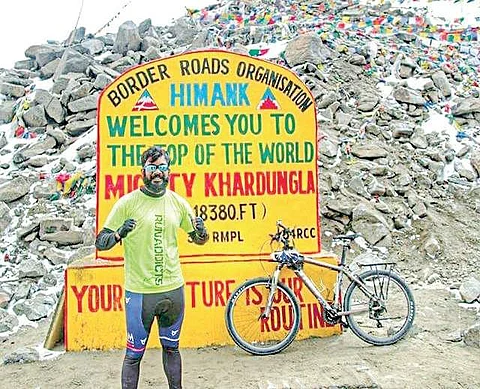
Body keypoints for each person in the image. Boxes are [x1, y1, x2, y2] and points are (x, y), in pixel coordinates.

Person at [95, 145, 209, 389]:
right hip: (140, 294)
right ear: (142, 170)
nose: (157, 172)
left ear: (169, 171)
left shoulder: (178, 203)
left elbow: (198, 240)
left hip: (173, 291)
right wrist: (118, 234)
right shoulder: (127, 203)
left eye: (162, 167)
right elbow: (100, 243)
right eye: (152, 167)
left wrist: (202, 233)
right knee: (134, 355)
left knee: (172, 349)